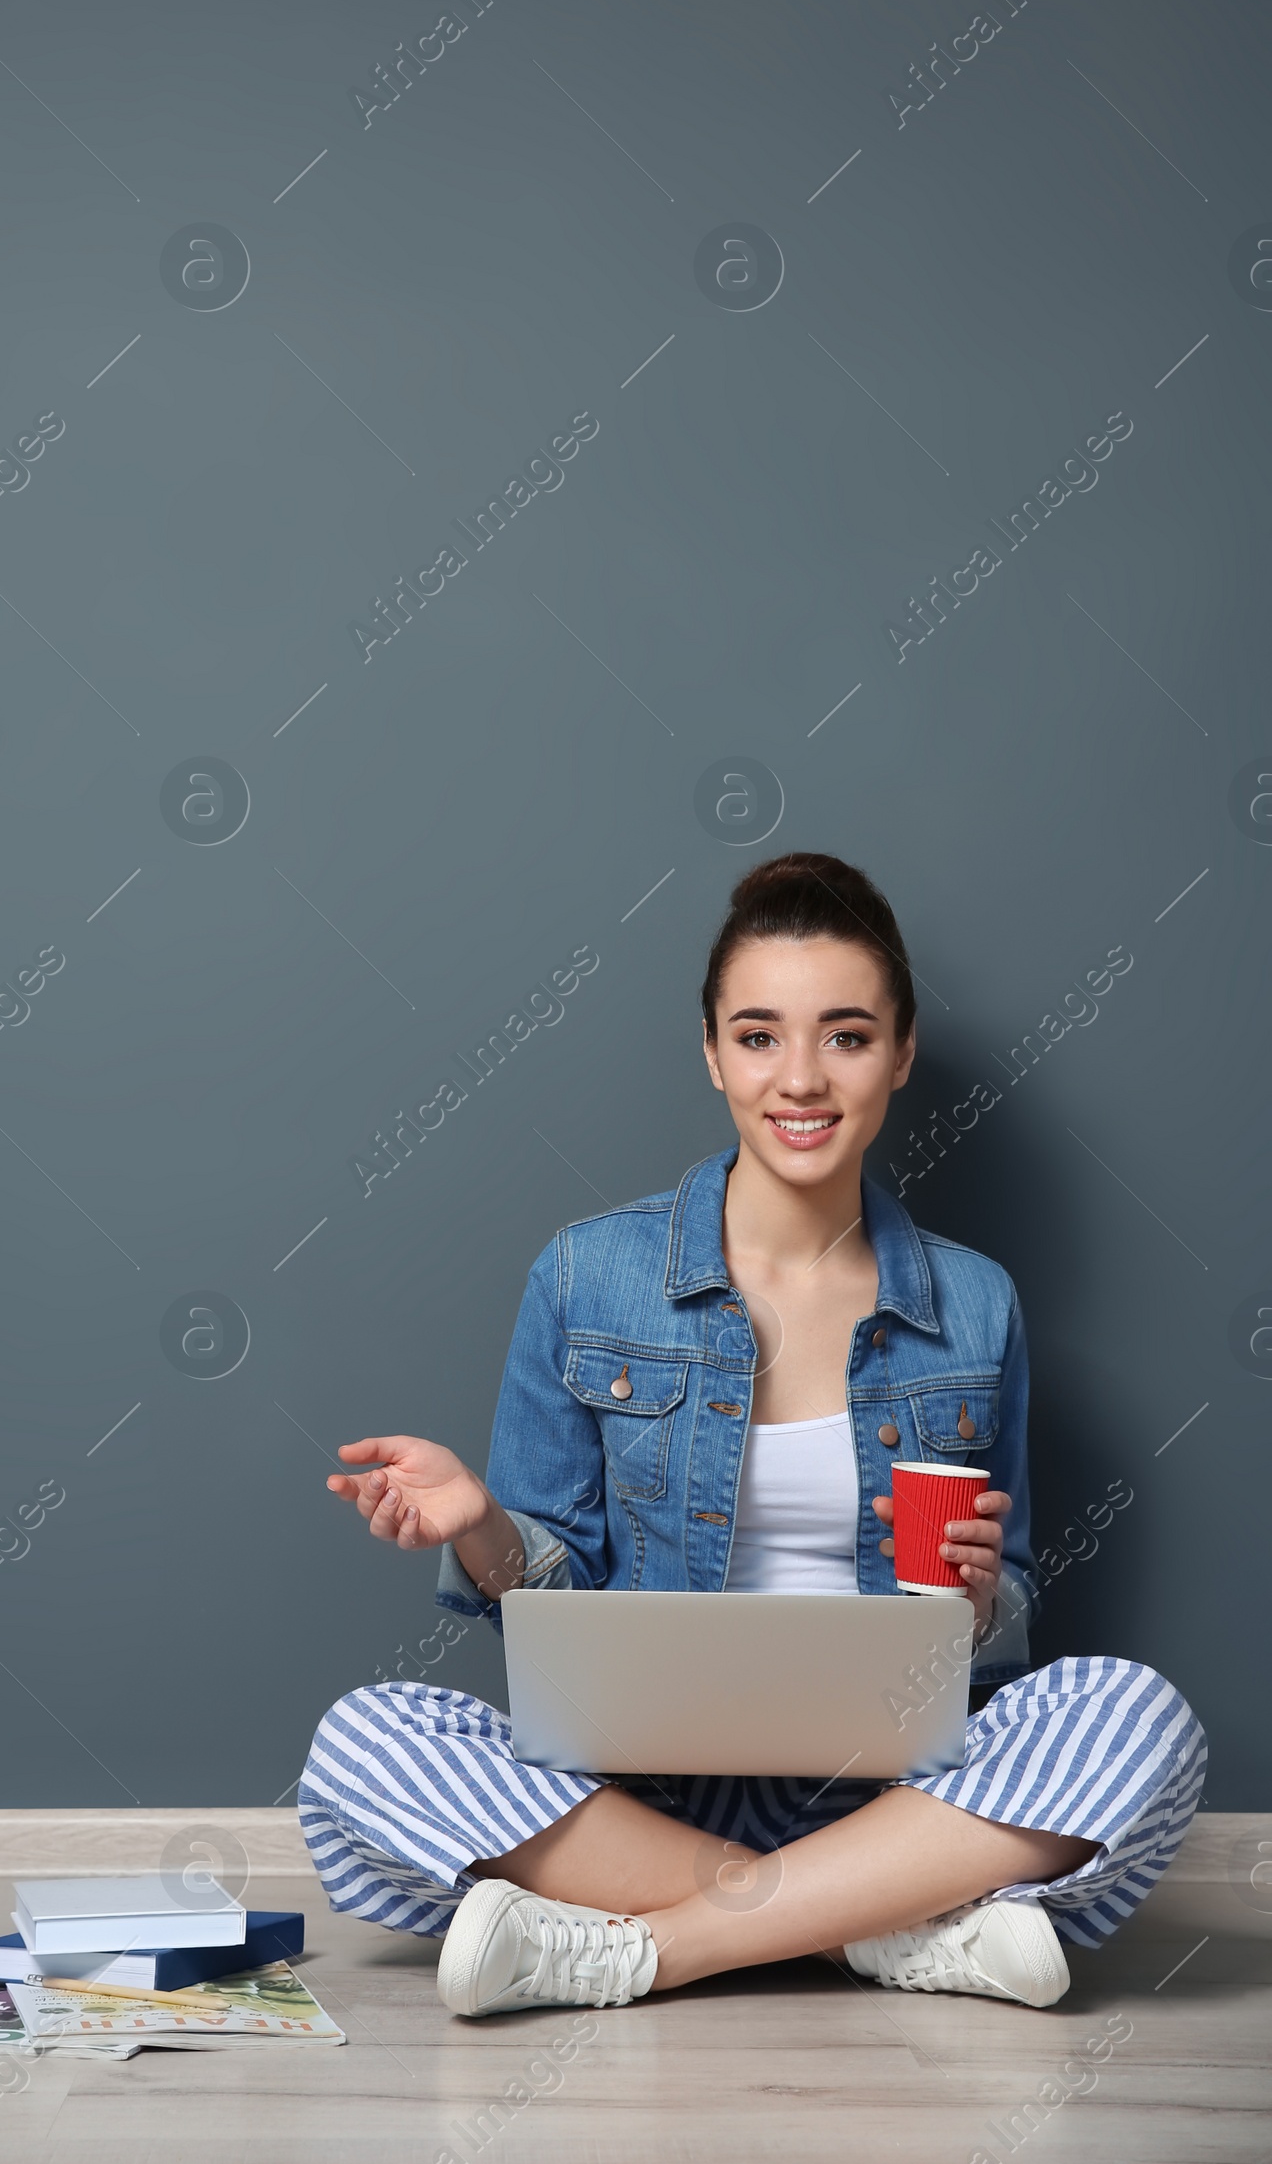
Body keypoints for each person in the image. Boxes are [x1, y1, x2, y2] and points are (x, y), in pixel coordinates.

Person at [299, 853, 1204, 2018]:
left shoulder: (974, 1305)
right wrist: (480, 1526)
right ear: (714, 1052)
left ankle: (646, 1949)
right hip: (638, 1795)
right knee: (365, 1742)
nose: (802, 1078)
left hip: (891, 1792)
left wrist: (982, 1597)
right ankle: (883, 1926)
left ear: (901, 1052)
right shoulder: (587, 1273)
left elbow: (1000, 1613)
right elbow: (549, 1587)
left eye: (846, 1034)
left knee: (1137, 1719)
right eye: (761, 1034)